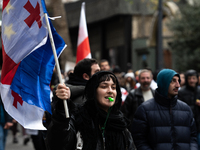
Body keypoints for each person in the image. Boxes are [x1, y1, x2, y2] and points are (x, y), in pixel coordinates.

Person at [46, 71, 135, 150]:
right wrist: (61, 113)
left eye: (113, 87)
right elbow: (58, 143)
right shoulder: (79, 117)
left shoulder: (120, 121)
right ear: (93, 91)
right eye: (104, 86)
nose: (110, 91)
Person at [132, 69, 198, 150]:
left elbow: (193, 137)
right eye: (173, 81)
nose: (178, 85)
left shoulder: (185, 109)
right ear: (163, 83)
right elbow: (139, 140)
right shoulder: (144, 109)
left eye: (178, 81)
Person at [178, 69, 200, 149]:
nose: (191, 80)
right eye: (189, 78)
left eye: (194, 78)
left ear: (197, 79)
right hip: (186, 124)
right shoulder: (181, 92)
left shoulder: (199, 91)